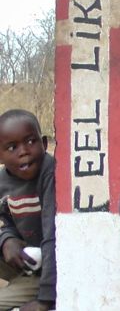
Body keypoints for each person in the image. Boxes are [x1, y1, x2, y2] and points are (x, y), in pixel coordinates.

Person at [0, 110, 55, 311]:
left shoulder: (49, 172)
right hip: (25, 261)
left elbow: (52, 235)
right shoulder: (2, 181)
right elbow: (5, 220)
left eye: (31, 141)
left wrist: (45, 300)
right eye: (12, 147)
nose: (23, 151)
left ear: (45, 143)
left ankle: (29, 292)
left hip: (49, 271)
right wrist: (6, 239)